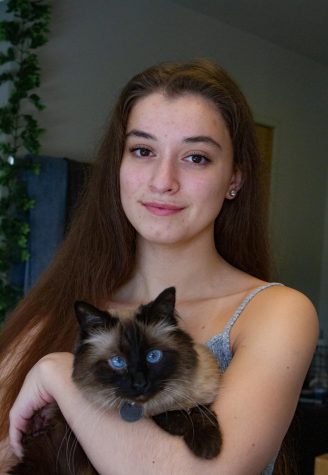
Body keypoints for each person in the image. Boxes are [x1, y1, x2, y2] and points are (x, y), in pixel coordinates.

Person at [0, 59, 318, 474]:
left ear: (235, 177)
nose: (163, 180)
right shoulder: (58, 307)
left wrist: (59, 374)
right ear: (119, 165)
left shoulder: (276, 312)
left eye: (196, 157)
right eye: (143, 151)